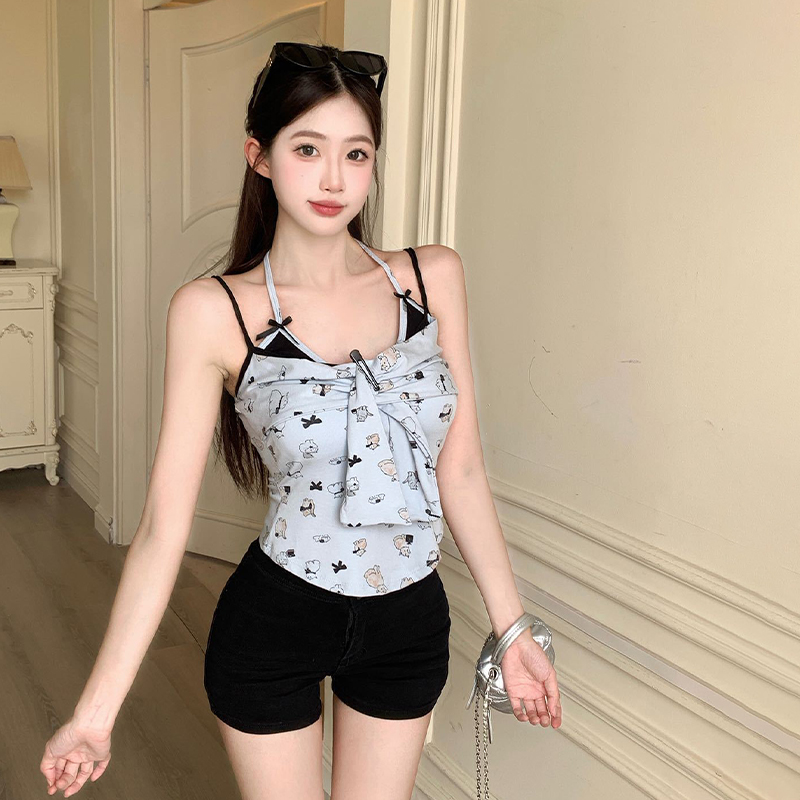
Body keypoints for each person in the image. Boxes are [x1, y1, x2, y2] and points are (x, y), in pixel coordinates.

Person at [39, 41, 562, 800]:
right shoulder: (213, 311)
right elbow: (161, 528)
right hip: (277, 620)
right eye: (307, 148)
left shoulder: (433, 277)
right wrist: (94, 718)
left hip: (410, 621)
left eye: (356, 153)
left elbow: (463, 470)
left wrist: (512, 630)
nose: (333, 179)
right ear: (260, 156)